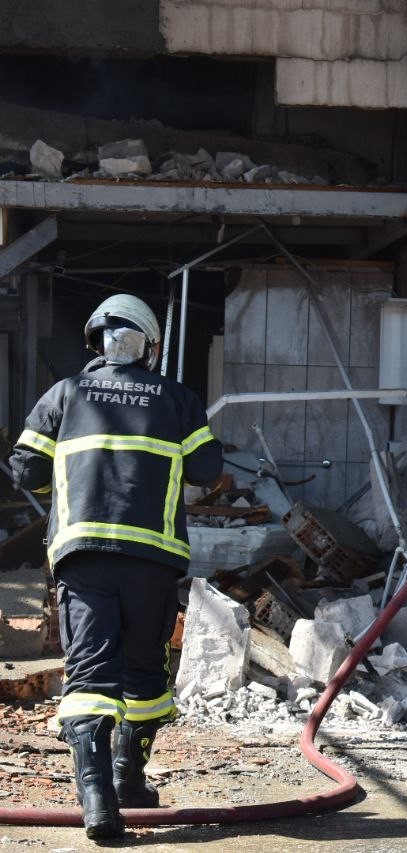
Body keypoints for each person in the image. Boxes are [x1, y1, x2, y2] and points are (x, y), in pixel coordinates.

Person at [8, 294, 222, 839]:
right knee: (145, 675)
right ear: (149, 346)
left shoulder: (64, 394)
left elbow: (25, 470)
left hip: (82, 558)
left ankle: (98, 799)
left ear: (96, 342)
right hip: (151, 559)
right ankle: (130, 779)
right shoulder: (177, 398)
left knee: (88, 675)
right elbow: (206, 469)